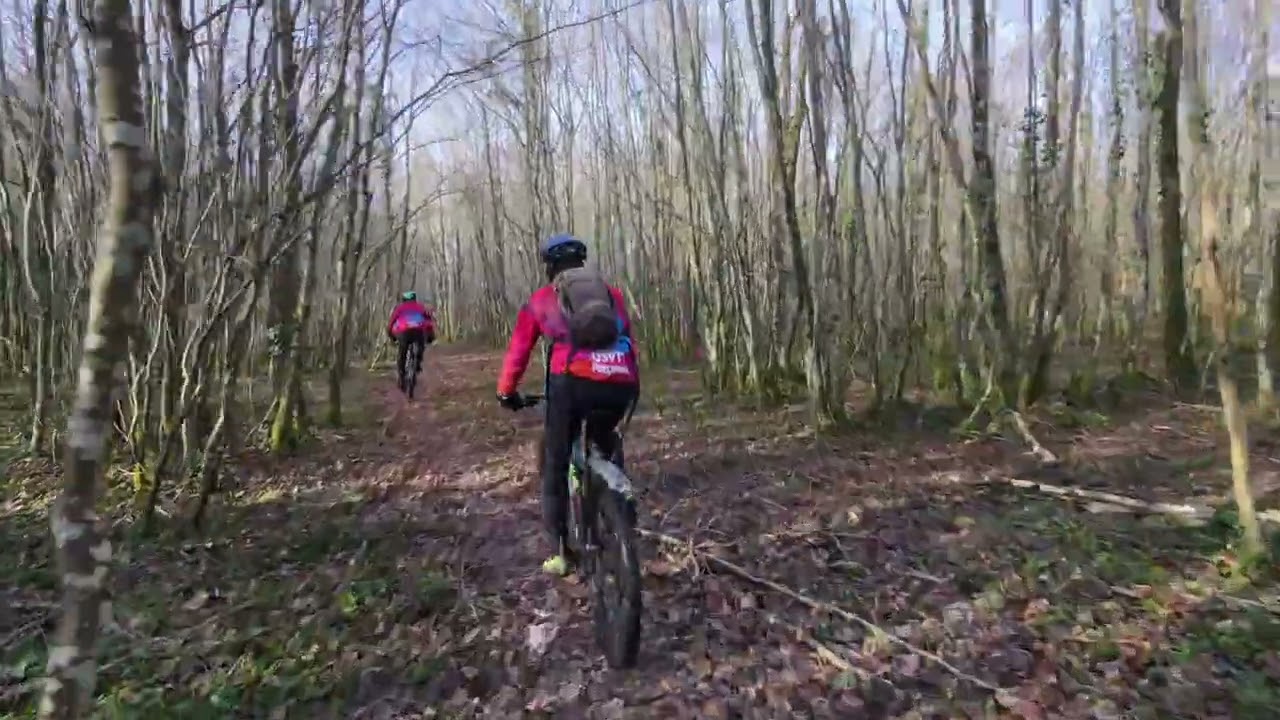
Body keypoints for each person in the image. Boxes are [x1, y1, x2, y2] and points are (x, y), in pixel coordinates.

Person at [496, 234, 640, 577]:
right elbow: (627, 339)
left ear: (550, 267)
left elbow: (519, 351)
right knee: (606, 439)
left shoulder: (542, 300)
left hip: (572, 383)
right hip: (622, 380)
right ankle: (617, 498)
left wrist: (506, 392)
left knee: (555, 462)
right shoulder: (612, 295)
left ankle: (561, 552)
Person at [387, 291, 435, 386]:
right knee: (420, 346)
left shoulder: (399, 308)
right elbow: (428, 321)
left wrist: (391, 336)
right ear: (414, 299)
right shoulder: (420, 307)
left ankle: (401, 375)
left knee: (402, 353)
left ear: (404, 300)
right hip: (418, 331)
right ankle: (417, 363)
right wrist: (431, 336)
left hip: (403, 332)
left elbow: (391, 322)